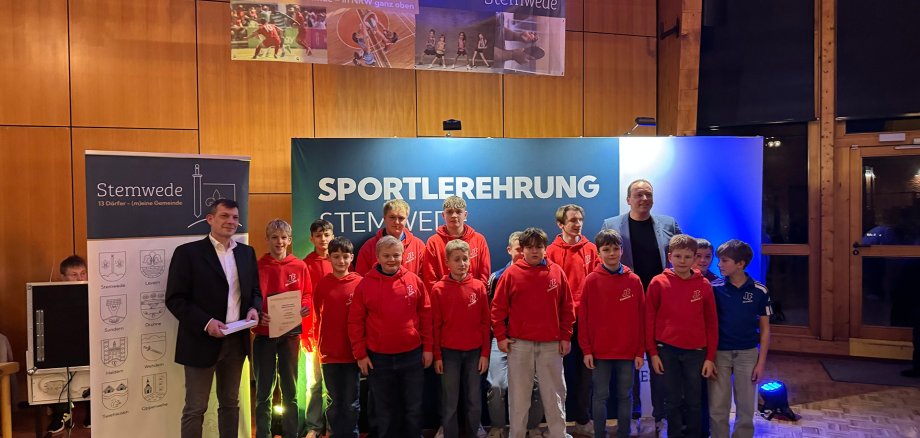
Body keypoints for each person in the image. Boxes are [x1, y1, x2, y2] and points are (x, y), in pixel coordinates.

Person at [165, 199, 261, 438]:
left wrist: (253, 309)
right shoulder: (188, 253)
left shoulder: (247, 253)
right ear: (210, 219)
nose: (231, 222)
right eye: (224, 216)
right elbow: (175, 299)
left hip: (236, 342)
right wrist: (207, 323)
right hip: (200, 341)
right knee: (195, 408)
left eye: (235, 218)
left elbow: (255, 292)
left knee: (230, 403)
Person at [600, 178, 681, 434]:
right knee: (628, 363)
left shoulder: (669, 224)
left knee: (660, 362)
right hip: (627, 304)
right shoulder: (611, 225)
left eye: (648, 194)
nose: (644, 199)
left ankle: (661, 417)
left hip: (661, 304)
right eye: (638, 194)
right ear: (628, 199)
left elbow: (681, 258)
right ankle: (632, 416)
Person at [491, 227, 575, 438]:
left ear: (545, 249)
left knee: (555, 397)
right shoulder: (510, 274)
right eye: (529, 247)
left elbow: (567, 307)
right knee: (519, 400)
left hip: (551, 345)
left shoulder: (557, 272)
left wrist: (566, 336)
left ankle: (558, 434)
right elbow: (497, 308)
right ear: (523, 250)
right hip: (520, 346)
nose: (534, 251)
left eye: (539, 247)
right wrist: (501, 336)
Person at [348, 235, 433, 438]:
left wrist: (428, 348)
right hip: (379, 358)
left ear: (403, 256)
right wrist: (360, 354)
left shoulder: (414, 281)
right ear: (377, 256)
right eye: (386, 255)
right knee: (384, 412)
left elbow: (426, 314)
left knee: (413, 409)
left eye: (396, 255)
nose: (391, 260)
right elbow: (355, 322)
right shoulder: (365, 285)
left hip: (412, 356)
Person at [646, 235, 717, 438]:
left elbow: (712, 323)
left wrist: (710, 357)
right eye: (678, 256)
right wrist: (653, 353)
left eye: (687, 256)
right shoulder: (658, 283)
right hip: (666, 350)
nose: (683, 261)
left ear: (694, 258)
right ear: (670, 257)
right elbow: (649, 319)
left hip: (696, 353)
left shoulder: (704, 285)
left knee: (694, 401)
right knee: (672, 401)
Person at [579, 230, 644, 438]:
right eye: (606, 250)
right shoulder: (590, 281)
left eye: (616, 249)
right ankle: (600, 434)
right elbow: (584, 319)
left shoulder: (634, 280)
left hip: (627, 351)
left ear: (622, 251)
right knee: (599, 396)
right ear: (598, 253)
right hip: (599, 352)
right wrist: (587, 350)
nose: (612, 253)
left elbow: (642, 318)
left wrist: (639, 351)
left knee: (625, 396)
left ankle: (624, 433)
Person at [252, 219, 311, 438]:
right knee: (263, 393)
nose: (279, 242)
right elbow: (251, 299)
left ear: (290, 240)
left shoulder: (299, 266)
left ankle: (291, 434)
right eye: (274, 237)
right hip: (264, 336)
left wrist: (304, 307)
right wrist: (258, 316)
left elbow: (307, 294)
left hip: (290, 335)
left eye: (283, 238)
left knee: (291, 392)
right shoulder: (258, 266)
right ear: (267, 239)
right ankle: (263, 435)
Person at [709, 240, 772, 438]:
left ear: (741, 264)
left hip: (747, 354)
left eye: (724, 260)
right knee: (718, 406)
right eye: (719, 260)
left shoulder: (760, 290)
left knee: (746, 407)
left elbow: (765, 329)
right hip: (720, 353)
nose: (719, 265)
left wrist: (761, 363)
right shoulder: (714, 288)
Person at [486, 232, 546, 438]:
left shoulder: (543, 273)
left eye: (526, 248)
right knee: (496, 386)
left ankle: (532, 426)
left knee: (538, 386)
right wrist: (501, 337)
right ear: (509, 250)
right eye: (518, 248)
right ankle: (497, 427)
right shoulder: (497, 277)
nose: (523, 252)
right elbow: (492, 311)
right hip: (500, 339)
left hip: (530, 339)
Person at [546, 204, 598, 437]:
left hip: (586, 323)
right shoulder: (550, 251)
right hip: (559, 324)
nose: (577, 224)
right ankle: (558, 424)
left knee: (586, 375)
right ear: (560, 224)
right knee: (559, 376)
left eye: (580, 219)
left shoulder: (592, 249)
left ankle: (583, 421)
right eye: (572, 220)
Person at [431, 240, 490, 438]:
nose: (462, 263)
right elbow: (436, 325)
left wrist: (485, 354)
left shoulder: (479, 287)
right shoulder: (438, 289)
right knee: (450, 401)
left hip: (474, 353)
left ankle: (474, 433)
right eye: (457, 259)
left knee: (474, 400)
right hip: (449, 354)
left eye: (465, 259)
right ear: (447, 262)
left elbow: (485, 322)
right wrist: (437, 356)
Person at [314, 237, 363, 438]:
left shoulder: (360, 283)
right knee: (333, 401)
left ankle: (351, 434)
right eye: (336, 257)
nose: (341, 261)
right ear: (329, 258)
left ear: (351, 257)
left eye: (345, 257)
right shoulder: (323, 285)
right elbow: (318, 315)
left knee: (351, 403)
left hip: (352, 354)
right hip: (329, 354)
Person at [47, 256, 90, 434]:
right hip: (61, 346)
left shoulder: (95, 292)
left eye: (83, 273)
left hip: (87, 344)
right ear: (62, 277)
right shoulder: (51, 296)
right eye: (74, 275)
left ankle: (92, 412)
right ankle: (61, 413)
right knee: (52, 366)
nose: (80, 278)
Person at [302, 219, 334, 437]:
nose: (323, 239)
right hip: (314, 333)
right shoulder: (305, 265)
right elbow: (305, 302)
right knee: (314, 383)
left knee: (333, 385)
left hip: (337, 334)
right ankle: (313, 426)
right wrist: (306, 333)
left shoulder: (340, 260)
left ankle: (333, 426)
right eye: (319, 236)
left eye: (327, 235)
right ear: (311, 239)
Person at [423, 196, 491, 293]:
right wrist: (439, 297)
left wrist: (476, 295)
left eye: (458, 212)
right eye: (450, 212)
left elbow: (484, 274)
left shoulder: (479, 239)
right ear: (443, 215)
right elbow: (430, 278)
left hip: (473, 299)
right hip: (445, 299)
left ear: (465, 215)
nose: (454, 215)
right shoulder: (433, 242)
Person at [355, 199, 426, 277]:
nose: (396, 222)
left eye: (401, 218)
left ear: (406, 220)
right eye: (392, 217)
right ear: (384, 218)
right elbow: (361, 279)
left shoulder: (418, 245)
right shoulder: (369, 247)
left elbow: (423, 279)